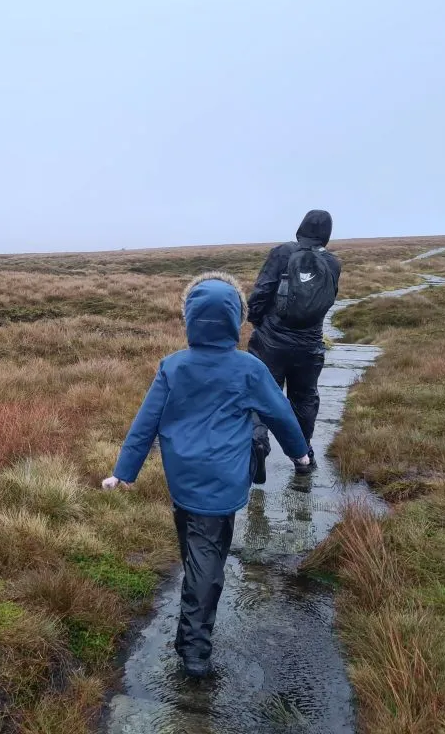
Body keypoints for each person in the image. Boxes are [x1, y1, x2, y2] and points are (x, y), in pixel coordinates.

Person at [102, 272, 309, 678]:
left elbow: (146, 423)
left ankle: (189, 637)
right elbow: (281, 414)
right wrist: (299, 453)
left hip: (183, 475)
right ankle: (195, 651)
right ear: (236, 319)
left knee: (197, 546)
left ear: (190, 318)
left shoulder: (173, 366)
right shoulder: (248, 368)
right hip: (225, 478)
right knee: (208, 561)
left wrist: (124, 471)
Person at [247, 210, 341, 475]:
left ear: (301, 228)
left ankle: (257, 441)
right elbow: (327, 301)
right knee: (304, 399)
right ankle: (303, 456)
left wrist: (259, 322)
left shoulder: (282, 252)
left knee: (261, 393)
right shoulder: (332, 263)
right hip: (310, 344)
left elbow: (261, 292)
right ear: (326, 234)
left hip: (270, 341)